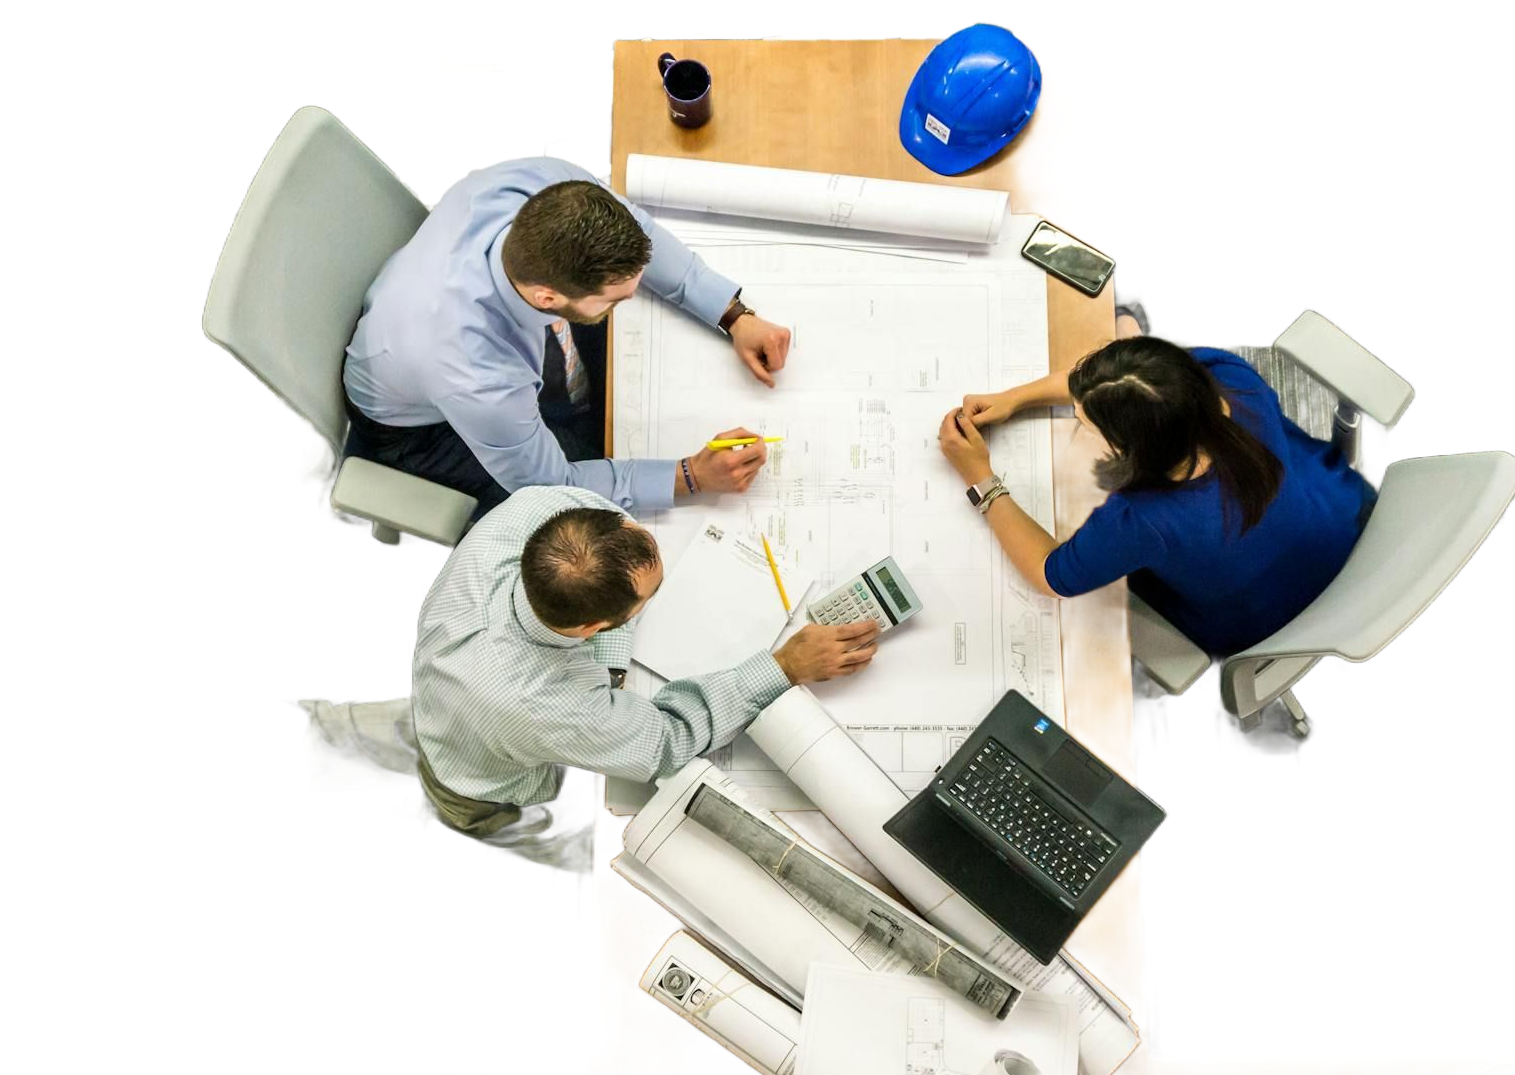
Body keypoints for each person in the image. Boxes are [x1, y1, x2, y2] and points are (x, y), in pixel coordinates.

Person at [296, 485, 880, 874]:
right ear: (591, 627)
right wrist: (782, 666)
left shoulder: (535, 510)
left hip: (435, 698)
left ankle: (315, 731)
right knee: (592, 851)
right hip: (481, 789)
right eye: (650, 598)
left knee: (342, 730)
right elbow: (668, 740)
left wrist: (612, 664)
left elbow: (604, 522)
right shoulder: (546, 704)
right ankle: (552, 851)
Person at [935, 299, 1377, 744]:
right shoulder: (1229, 378)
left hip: (1263, 618)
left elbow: (1050, 574)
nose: (1079, 424)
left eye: (1086, 425)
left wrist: (981, 478)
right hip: (1344, 518)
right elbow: (1135, 385)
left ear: (1133, 452)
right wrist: (1012, 400)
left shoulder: (1143, 520)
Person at [341, 155, 795, 520]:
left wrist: (732, 314)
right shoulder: (477, 374)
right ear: (548, 296)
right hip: (419, 429)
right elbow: (552, 485)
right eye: (616, 298)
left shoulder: (542, 183)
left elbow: (640, 232)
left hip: (426, 329)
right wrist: (690, 476)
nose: (632, 297)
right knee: (594, 512)